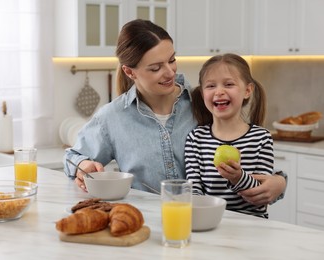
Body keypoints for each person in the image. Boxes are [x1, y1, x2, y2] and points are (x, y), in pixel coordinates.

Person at [63, 19, 286, 205]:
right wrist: (83, 166)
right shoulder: (112, 117)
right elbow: (72, 157)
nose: (169, 72)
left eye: (172, 60)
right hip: (149, 227)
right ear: (130, 72)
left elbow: (248, 148)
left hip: (210, 223)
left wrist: (279, 182)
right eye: (156, 68)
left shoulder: (204, 102)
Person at [185, 53, 274, 218]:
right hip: (210, 221)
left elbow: (261, 196)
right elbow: (194, 190)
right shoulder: (196, 138)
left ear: (247, 90)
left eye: (229, 84)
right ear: (202, 92)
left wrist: (238, 178)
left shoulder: (261, 138)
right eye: (211, 86)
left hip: (252, 226)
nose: (219, 91)